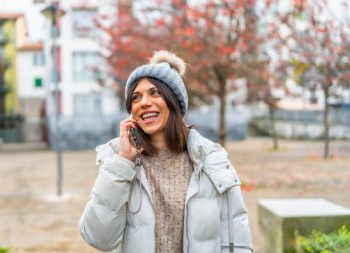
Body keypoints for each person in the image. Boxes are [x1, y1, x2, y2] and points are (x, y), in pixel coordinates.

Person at [79, 50, 253, 253]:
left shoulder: (212, 161)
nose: (143, 102)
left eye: (155, 93)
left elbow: (238, 241)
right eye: (136, 97)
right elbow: (98, 238)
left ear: (175, 103)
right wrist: (123, 162)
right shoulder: (118, 162)